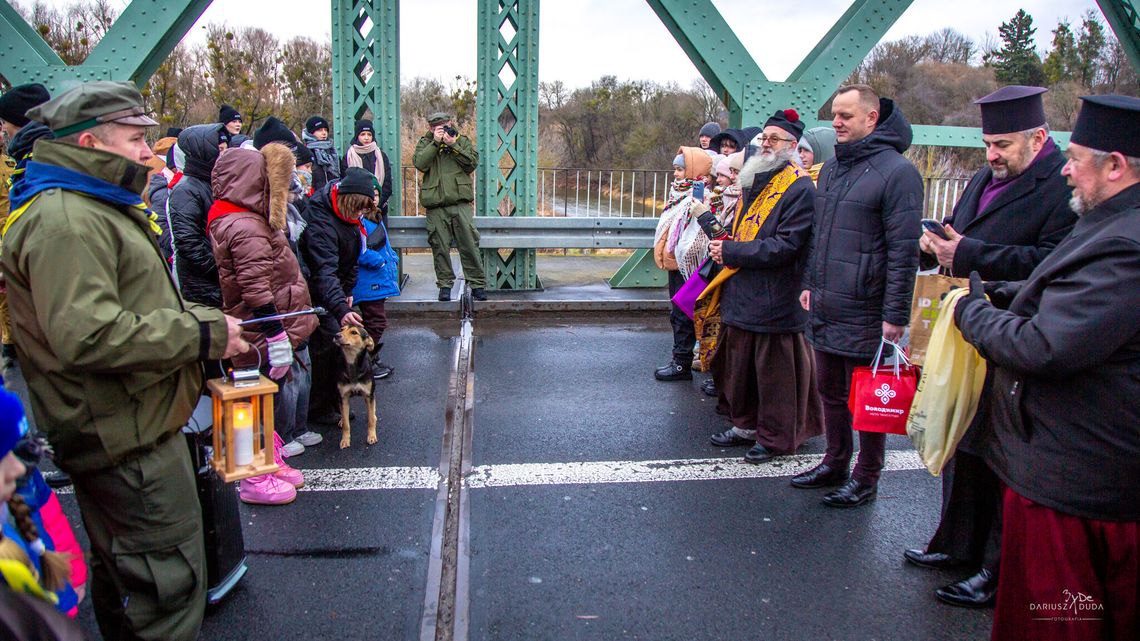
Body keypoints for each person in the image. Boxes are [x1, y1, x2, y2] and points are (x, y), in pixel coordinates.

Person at [0, 80, 247, 641]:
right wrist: (204, 333)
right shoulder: (68, 221)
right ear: (90, 141)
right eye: (136, 138)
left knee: (137, 591)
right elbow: (88, 335)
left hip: (128, 428)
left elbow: (133, 304)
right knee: (166, 595)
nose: (148, 150)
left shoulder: (90, 206)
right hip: (128, 440)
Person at [954, 94, 1140, 641]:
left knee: (1061, 619)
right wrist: (1011, 293)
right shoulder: (1112, 226)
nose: (1064, 167)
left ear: (1115, 165)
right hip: (1077, 469)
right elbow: (1069, 292)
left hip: (1080, 483)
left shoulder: (1126, 245)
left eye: (1076, 156)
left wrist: (973, 314)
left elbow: (1046, 346)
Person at [907, 85, 1077, 609]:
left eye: (1001, 144)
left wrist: (969, 251)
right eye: (987, 144)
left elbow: (1053, 264)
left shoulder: (1062, 187)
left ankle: (994, 568)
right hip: (970, 330)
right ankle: (955, 543)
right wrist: (940, 245)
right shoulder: (988, 175)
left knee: (1003, 455)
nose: (991, 155)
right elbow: (964, 236)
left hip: (1014, 330)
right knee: (965, 437)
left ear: (1039, 138)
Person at [793, 84, 923, 507]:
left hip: (867, 307)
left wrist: (896, 315)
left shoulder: (898, 173)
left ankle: (866, 477)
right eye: (834, 115)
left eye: (846, 116)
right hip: (828, 301)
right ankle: (834, 461)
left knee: (866, 398)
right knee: (829, 390)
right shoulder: (831, 169)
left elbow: (904, 251)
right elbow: (819, 236)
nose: (836, 123)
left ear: (871, 118)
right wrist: (810, 284)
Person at [704, 109, 823, 464]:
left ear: (791, 146)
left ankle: (775, 437)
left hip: (775, 296)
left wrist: (732, 250)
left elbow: (787, 246)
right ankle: (745, 425)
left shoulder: (800, 187)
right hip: (743, 290)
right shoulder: (754, 179)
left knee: (774, 377)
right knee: (740, 367)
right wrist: (723, 244)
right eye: (763, 138)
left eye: (775, 139)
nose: (766, 144)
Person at [208, 142, 318, 501]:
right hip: (260, 327)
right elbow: (255, 288)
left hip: (260, 324)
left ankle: (268, 459)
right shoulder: (246, 226)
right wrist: (276, 335)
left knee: (261, 398)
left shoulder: (239, 218)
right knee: (251, 400)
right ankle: (254, 479)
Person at [299, 168, 376, 424]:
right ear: (349, 201)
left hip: (335, 290)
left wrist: (348, 292)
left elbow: (351, 258)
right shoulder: (320, 219)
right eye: (359, 209)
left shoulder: (348, 218)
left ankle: (331, 402)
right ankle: (319, 407)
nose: (361, 215)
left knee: (334, 346)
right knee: (328, 346)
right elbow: (323, 272)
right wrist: (341, 308)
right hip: (317, 292)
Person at [652, 146, 712, 381]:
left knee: (683, 314)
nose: (676, 174)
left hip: (687, 266)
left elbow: (697, 236)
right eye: (675, 169)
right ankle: (681, 359)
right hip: (675, 263)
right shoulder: (678, 196)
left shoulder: (699, 199)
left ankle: (682, 363)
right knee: (678, 313)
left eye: (680, 169)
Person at [413, 112, 487, 302]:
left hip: (460, 202)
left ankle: (477, 284)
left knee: (469, 243)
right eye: (437, 127)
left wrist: (453, 145)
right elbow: (420, 163)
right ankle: (445, 285)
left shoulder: (461, 141)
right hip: (436, 204)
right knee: (439, 246)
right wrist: (435, 143)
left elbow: (472, 163)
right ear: (430, 128)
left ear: (450, 123)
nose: (442, 129)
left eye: (445, 125)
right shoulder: (426, 143)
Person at [169, 123, 229, 306]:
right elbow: (188, 243)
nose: (225, 155)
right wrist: (222, 270)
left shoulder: (215, 184)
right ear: (203, 151)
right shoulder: (186, 190)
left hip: (219, 281)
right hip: (203, 285)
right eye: (220, 150)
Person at [353, 184, 400, 380]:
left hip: (375, 278)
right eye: (370, 195)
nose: (374, 199)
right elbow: (360, 250)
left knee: (371, 321)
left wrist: (391, 258)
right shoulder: (360, 221)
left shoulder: (373, 218)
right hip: (369, 280)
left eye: (376, 195)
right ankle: (364, 362)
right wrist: (381, 262)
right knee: (376, 322)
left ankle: (371, 359)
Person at [342, 119, 393, 225]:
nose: (366, 138)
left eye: (369, 134)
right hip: (356, 210)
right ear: (357, 136)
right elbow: (345, 182)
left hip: (379, 210)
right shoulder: (348, 156)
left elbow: (387, 183)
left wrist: (377, 202)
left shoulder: (381, 156)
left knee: (380, 239)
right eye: (362, 134)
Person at [303, 115, 340, 191]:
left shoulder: (332, 151)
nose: (324, 133)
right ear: (311, 133)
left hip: (333, 194)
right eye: (320, 130)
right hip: (316, 196)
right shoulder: (306, 152)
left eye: (325, 130)